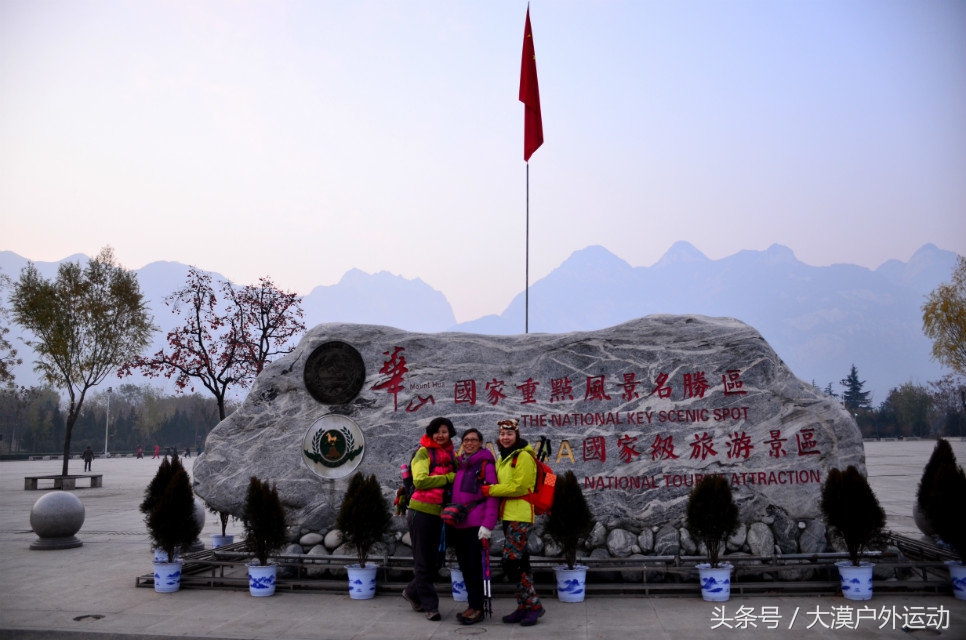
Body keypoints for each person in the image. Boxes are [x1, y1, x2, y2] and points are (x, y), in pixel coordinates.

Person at [482, 418, 545, 626]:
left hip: (520, 514)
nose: (505, 438)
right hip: (508, 515)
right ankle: (524, 606)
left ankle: (533, 605)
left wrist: (490, 490)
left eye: (509, 434)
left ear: (517, 435)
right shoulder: (504, 457)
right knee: (521, 561)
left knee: (511, 561)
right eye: (502, 434)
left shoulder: (524, 456)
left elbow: (519, 487)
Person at [402, 417, 456, 622]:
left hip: (441, 514)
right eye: (437, 431)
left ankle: (411, 591)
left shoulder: (452, 455)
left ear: (450, 433)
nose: (441, 435)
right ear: (431, 433)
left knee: (436, 561)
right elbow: (420, 481)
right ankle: (430, 606)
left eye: (445, 431)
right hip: (421, 512)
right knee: (423, 561)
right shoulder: (423, 452)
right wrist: (450, 478)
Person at [449, 428, 499, 625]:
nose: (469, 443)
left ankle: (477, 608)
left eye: (473, 440)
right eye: (466, 440)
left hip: (476, 525)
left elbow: (492, 496)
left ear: (480, 443)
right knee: (464, 566)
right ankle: (471, 605)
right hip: (459, 524)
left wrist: (488, 525)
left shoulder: (486, 465)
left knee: (473, 568)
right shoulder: (461, 464)